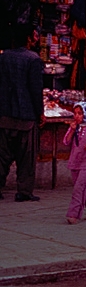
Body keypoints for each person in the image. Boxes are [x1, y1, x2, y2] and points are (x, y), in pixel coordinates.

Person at [0, 23, 44, 202]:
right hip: (26, 116)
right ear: (28, 37)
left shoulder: (3, 58)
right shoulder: (33, 59)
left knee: (1, 156)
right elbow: (35, 89)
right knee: (27, 158)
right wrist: (40, 113)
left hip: (4, 115)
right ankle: (24, 191)